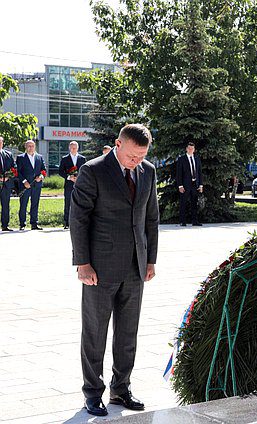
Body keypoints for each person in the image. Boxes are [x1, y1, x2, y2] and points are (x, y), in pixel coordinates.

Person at [70, 124, 159, 417]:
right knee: (95, 331)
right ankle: (93, 393)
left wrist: (150, 260)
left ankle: (121, 388)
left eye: (142, 155)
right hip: (100, 267)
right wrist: (82, 263)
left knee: (127, 333)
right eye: (133, 155)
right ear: (118, 144)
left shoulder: (148, 172)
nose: (137, 161)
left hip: (135, 267)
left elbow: (151, 219)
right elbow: (79, 218)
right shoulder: (93, 171)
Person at [16, 140, 46, 230]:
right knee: (23, 205)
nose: (30, 148)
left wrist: (41, 176)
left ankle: (34, 224)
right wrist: (24, 181)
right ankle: (22, 224)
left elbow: (43, 170)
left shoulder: (39, 157)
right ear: (26, 147)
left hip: (37, 185)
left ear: (35, 147)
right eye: (29, 146)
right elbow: (18, 172)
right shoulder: (20, 157)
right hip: (25, 185)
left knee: (35, 204)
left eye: (32, 146)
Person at [58, 141, 86, 229]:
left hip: (80, 185)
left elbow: (85, 171)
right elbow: (60, 172)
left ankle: (79, 222)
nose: (73, 149)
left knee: (80, 203)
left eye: (75, 148)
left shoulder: (82, 158)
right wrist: (69, 177)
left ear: (77, 148)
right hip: (69, 184)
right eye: (72, 148)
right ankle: (67, 223)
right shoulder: (64, 158)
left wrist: (79, 178)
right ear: (69, 148)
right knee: (68, 203)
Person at [176, 142, 203, 226]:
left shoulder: (197, 158)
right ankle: (182, 221)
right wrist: (180, 185)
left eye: (192, 149)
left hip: (195, 184)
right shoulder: (181, 159)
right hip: (185, 185)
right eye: (189, 148)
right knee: (183, 203)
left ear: (194, 150)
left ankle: (195, 221)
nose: (191, 150)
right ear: (186, 149)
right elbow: (179, 173)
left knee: (194, 203)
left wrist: (201, 185)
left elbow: (199, 172)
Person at [0, 136, 16, 231]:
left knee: (5, 205)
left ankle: (5, 225)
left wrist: (7, 177)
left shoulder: (8, 154)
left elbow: (13, 168)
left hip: (6, 184)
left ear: (2, 143)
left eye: (0, 142)